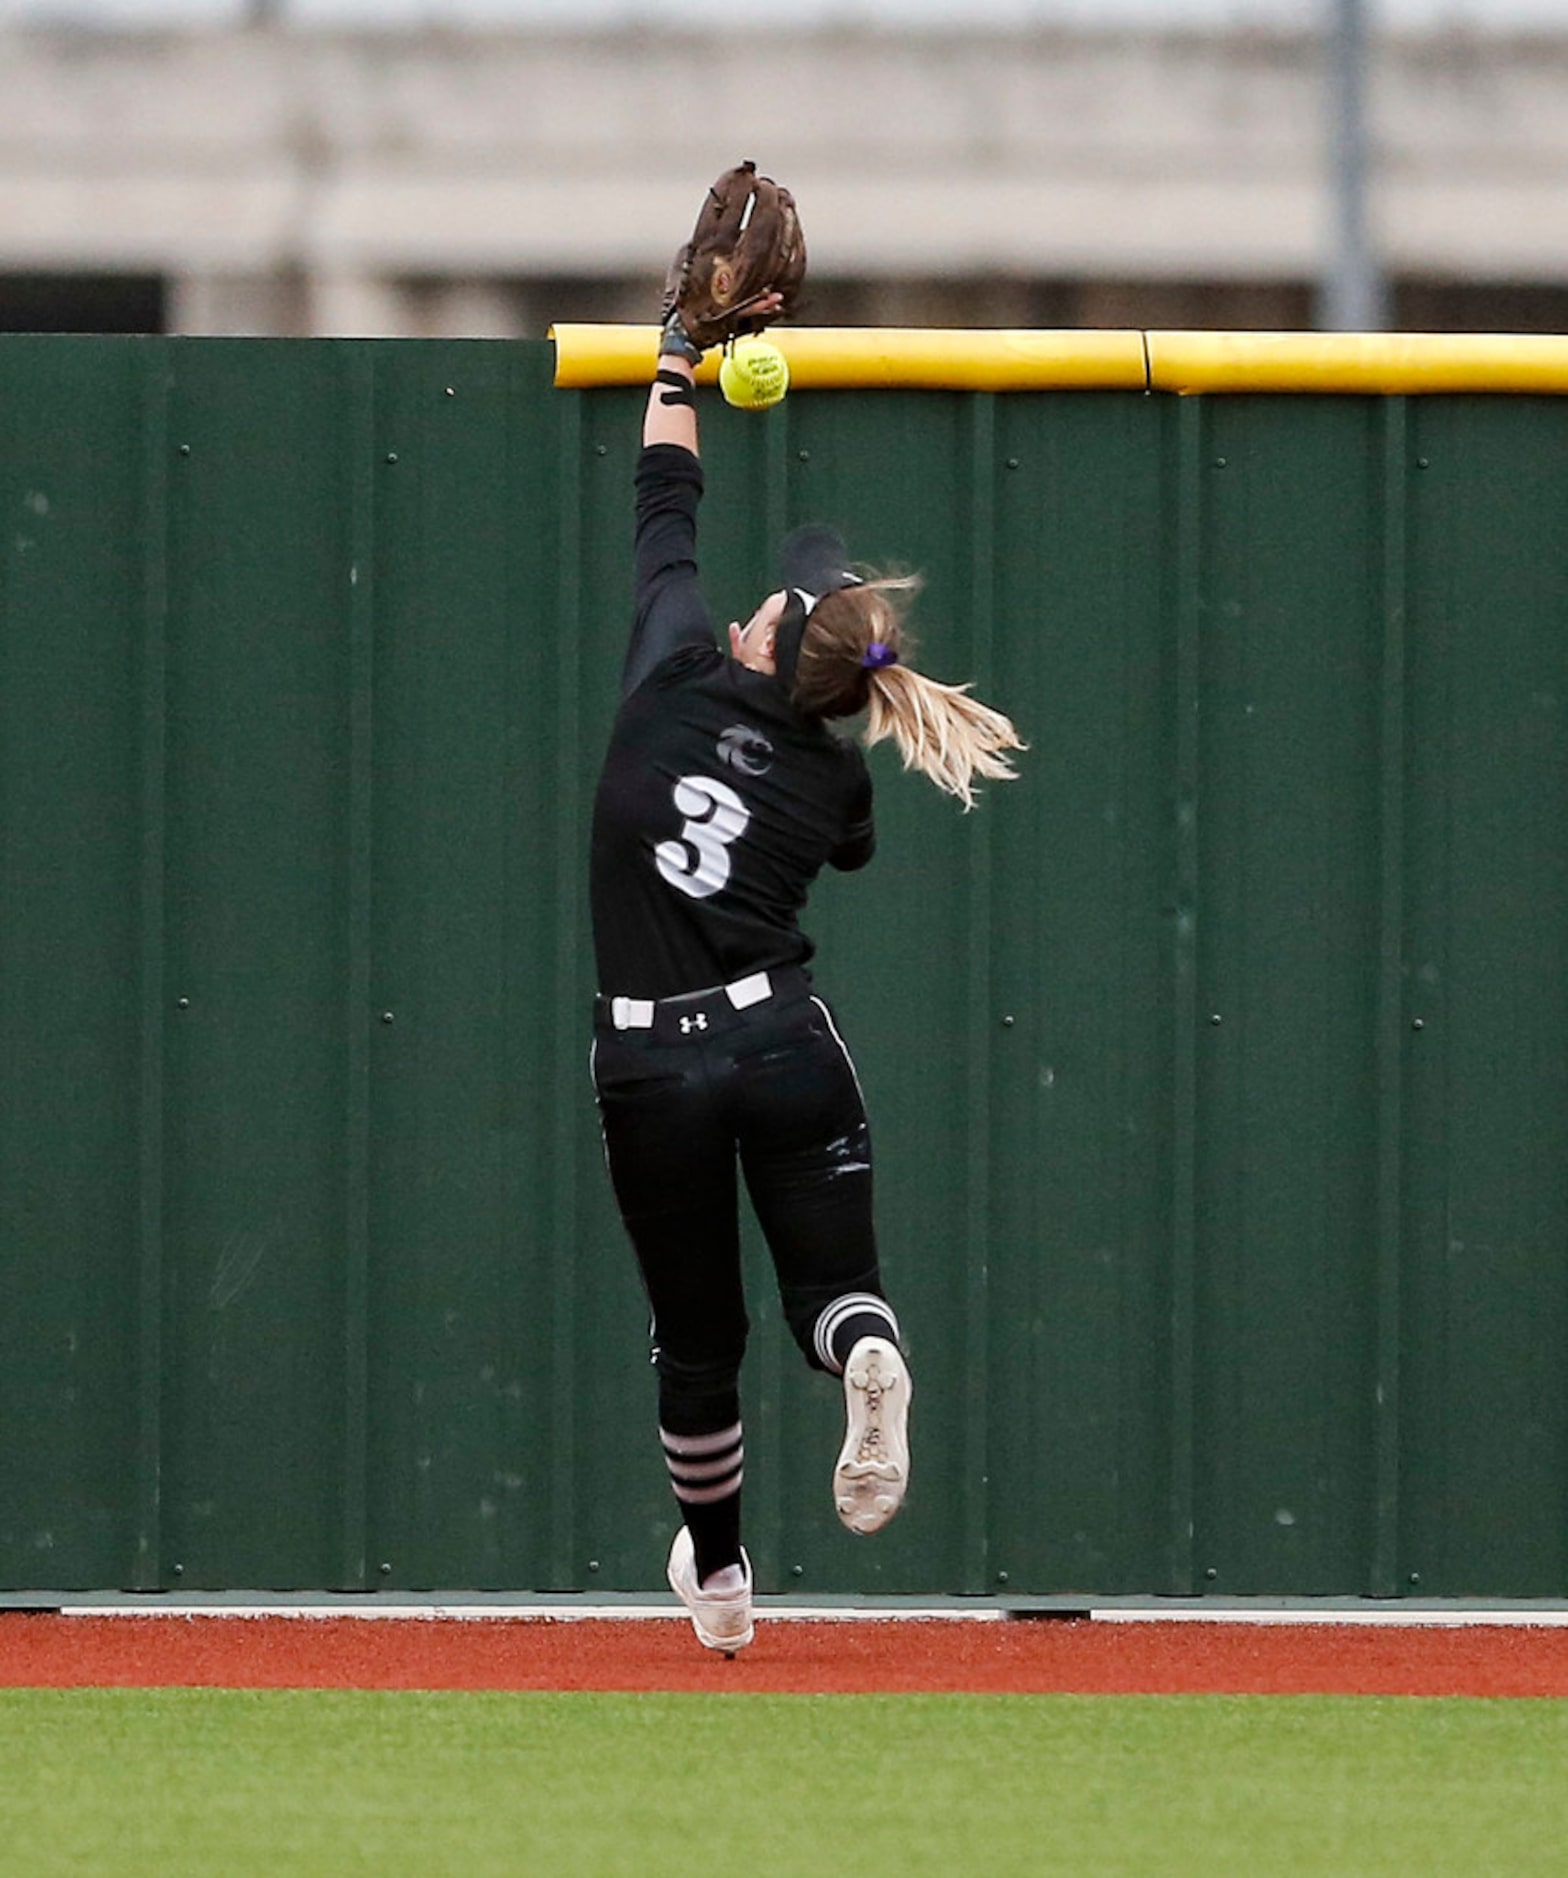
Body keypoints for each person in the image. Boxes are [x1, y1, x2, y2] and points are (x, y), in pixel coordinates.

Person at [588, 300, 1024, 1657]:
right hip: (784, 1044)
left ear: (768, 644)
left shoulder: (674, 668)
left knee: (697, 1336)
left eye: (785, 599)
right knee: (832, 1289)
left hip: (655, 1063)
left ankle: (720, 1583)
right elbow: (856, 836)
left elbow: (666, 497)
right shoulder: (835, 769)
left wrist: (678, 355)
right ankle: (863, 1355)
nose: (771, 595)